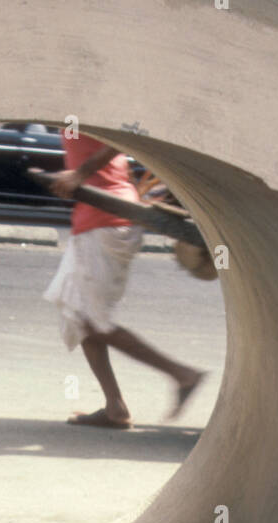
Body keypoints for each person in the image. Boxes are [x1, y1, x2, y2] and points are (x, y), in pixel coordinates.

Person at [38, 131, 205, 428]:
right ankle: (115, 407)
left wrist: (80, 173)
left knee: (92, 320)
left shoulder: (87, 98)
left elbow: (120, 137)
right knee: (77, 314)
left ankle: (182, 374)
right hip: (95, 218)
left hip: (107, 220)